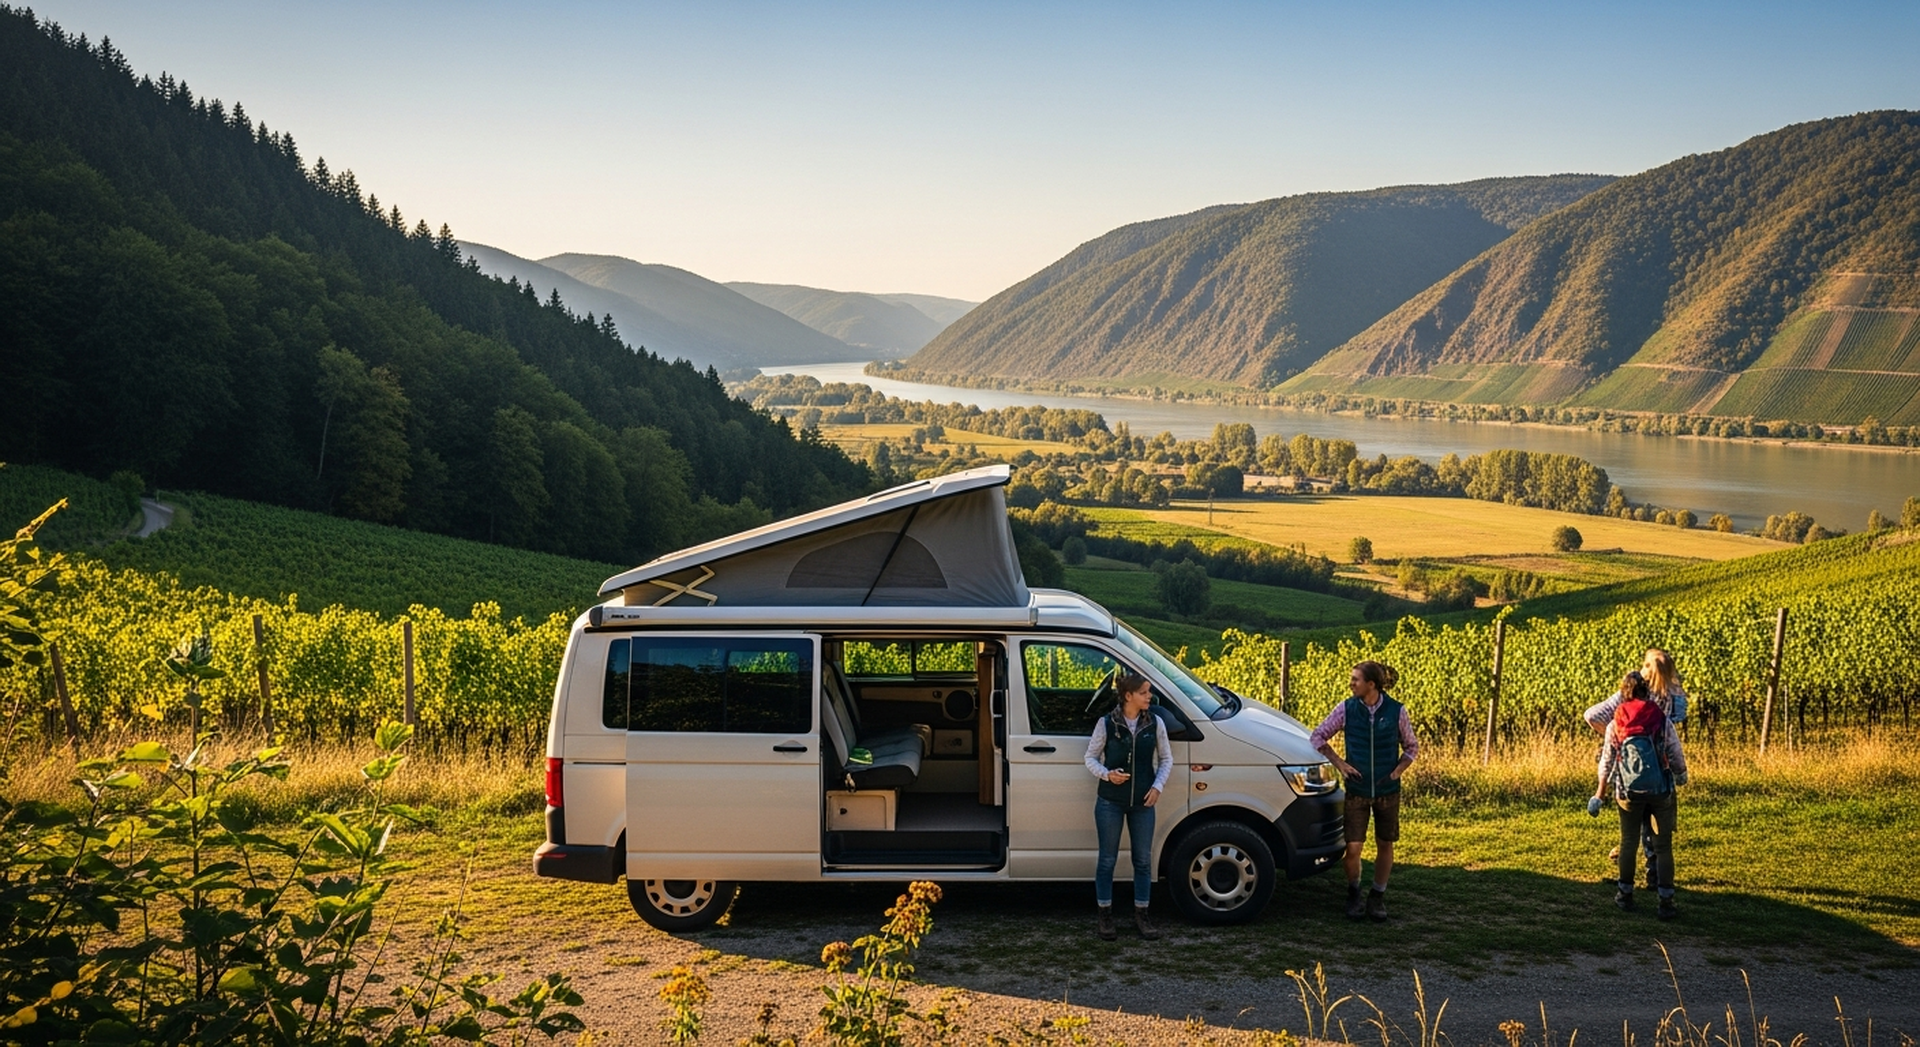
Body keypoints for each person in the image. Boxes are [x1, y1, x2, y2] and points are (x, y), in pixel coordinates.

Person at [1309, 660, 1419, 921]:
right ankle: (1354, 892)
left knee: (1385, 843)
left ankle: (1377, 897)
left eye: (1356, 679)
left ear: (1371, 684)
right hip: (1357, 790)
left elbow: (1411, 747)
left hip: (1387, 791)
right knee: (1354, 847)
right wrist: (1340, 764)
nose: (1351, 683)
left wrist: (1396, 772)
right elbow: (1318, 737)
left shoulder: (1396, 711)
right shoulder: (1346, 709)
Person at [1588, 671, 1689, 919]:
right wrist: (1681, 774)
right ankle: (1666, 902)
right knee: (1663, 846)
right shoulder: (1660, 718)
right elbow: (1674, 752)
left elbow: (1607, 761)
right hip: (1660, 790)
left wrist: (1599, 794)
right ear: (1646, 690)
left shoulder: (1616, 722)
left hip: (1627, 791)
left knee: (1628, 842)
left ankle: (1625, 895)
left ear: (1624, 692)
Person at [1085, 672, 1171, 940]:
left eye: (1149, 692)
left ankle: (1142, 915)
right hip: (1110, 801)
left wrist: (1157, 787)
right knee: (1107, 860)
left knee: (1143, 861)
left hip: (1143, 803)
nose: (1150, 697)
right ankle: (1105, 916)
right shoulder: (1106, 724)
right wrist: (1107, 774)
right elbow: (1090, 757)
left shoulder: (1155, 723)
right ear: (1128, 696)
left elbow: (1166, 759)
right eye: (1144, 692)